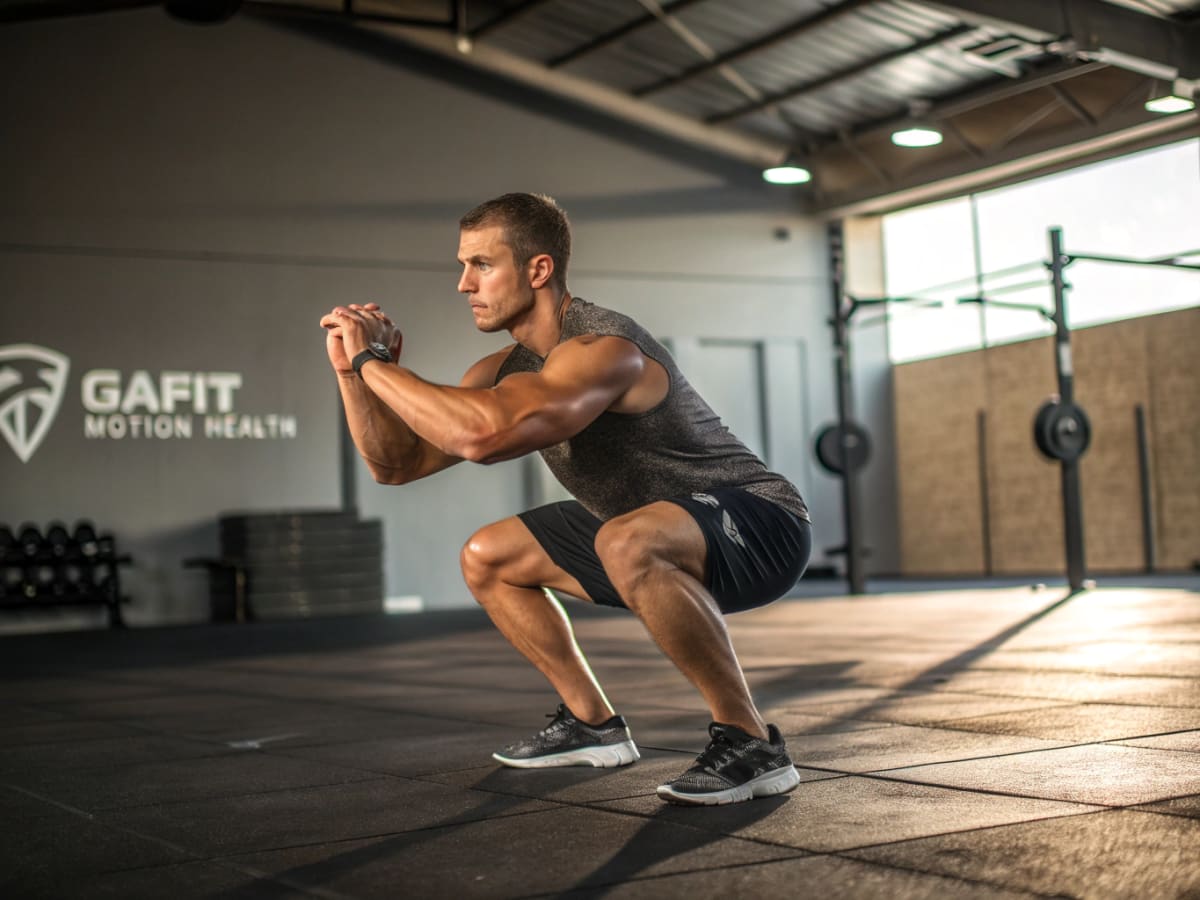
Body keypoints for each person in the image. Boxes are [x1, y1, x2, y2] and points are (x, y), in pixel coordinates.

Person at [321, 193, 813, 806]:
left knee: (625, 540)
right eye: (463, 265)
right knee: (490, 556)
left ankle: (752, 743)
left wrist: (374, 362)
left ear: (538, 269)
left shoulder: (603, 348)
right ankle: (592, 724)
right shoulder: (503, 369)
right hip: (640, 529)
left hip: (759, 522)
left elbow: (483, 436)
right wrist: (353, 373)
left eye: (481, 265)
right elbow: (397, 465)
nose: (464, 284)